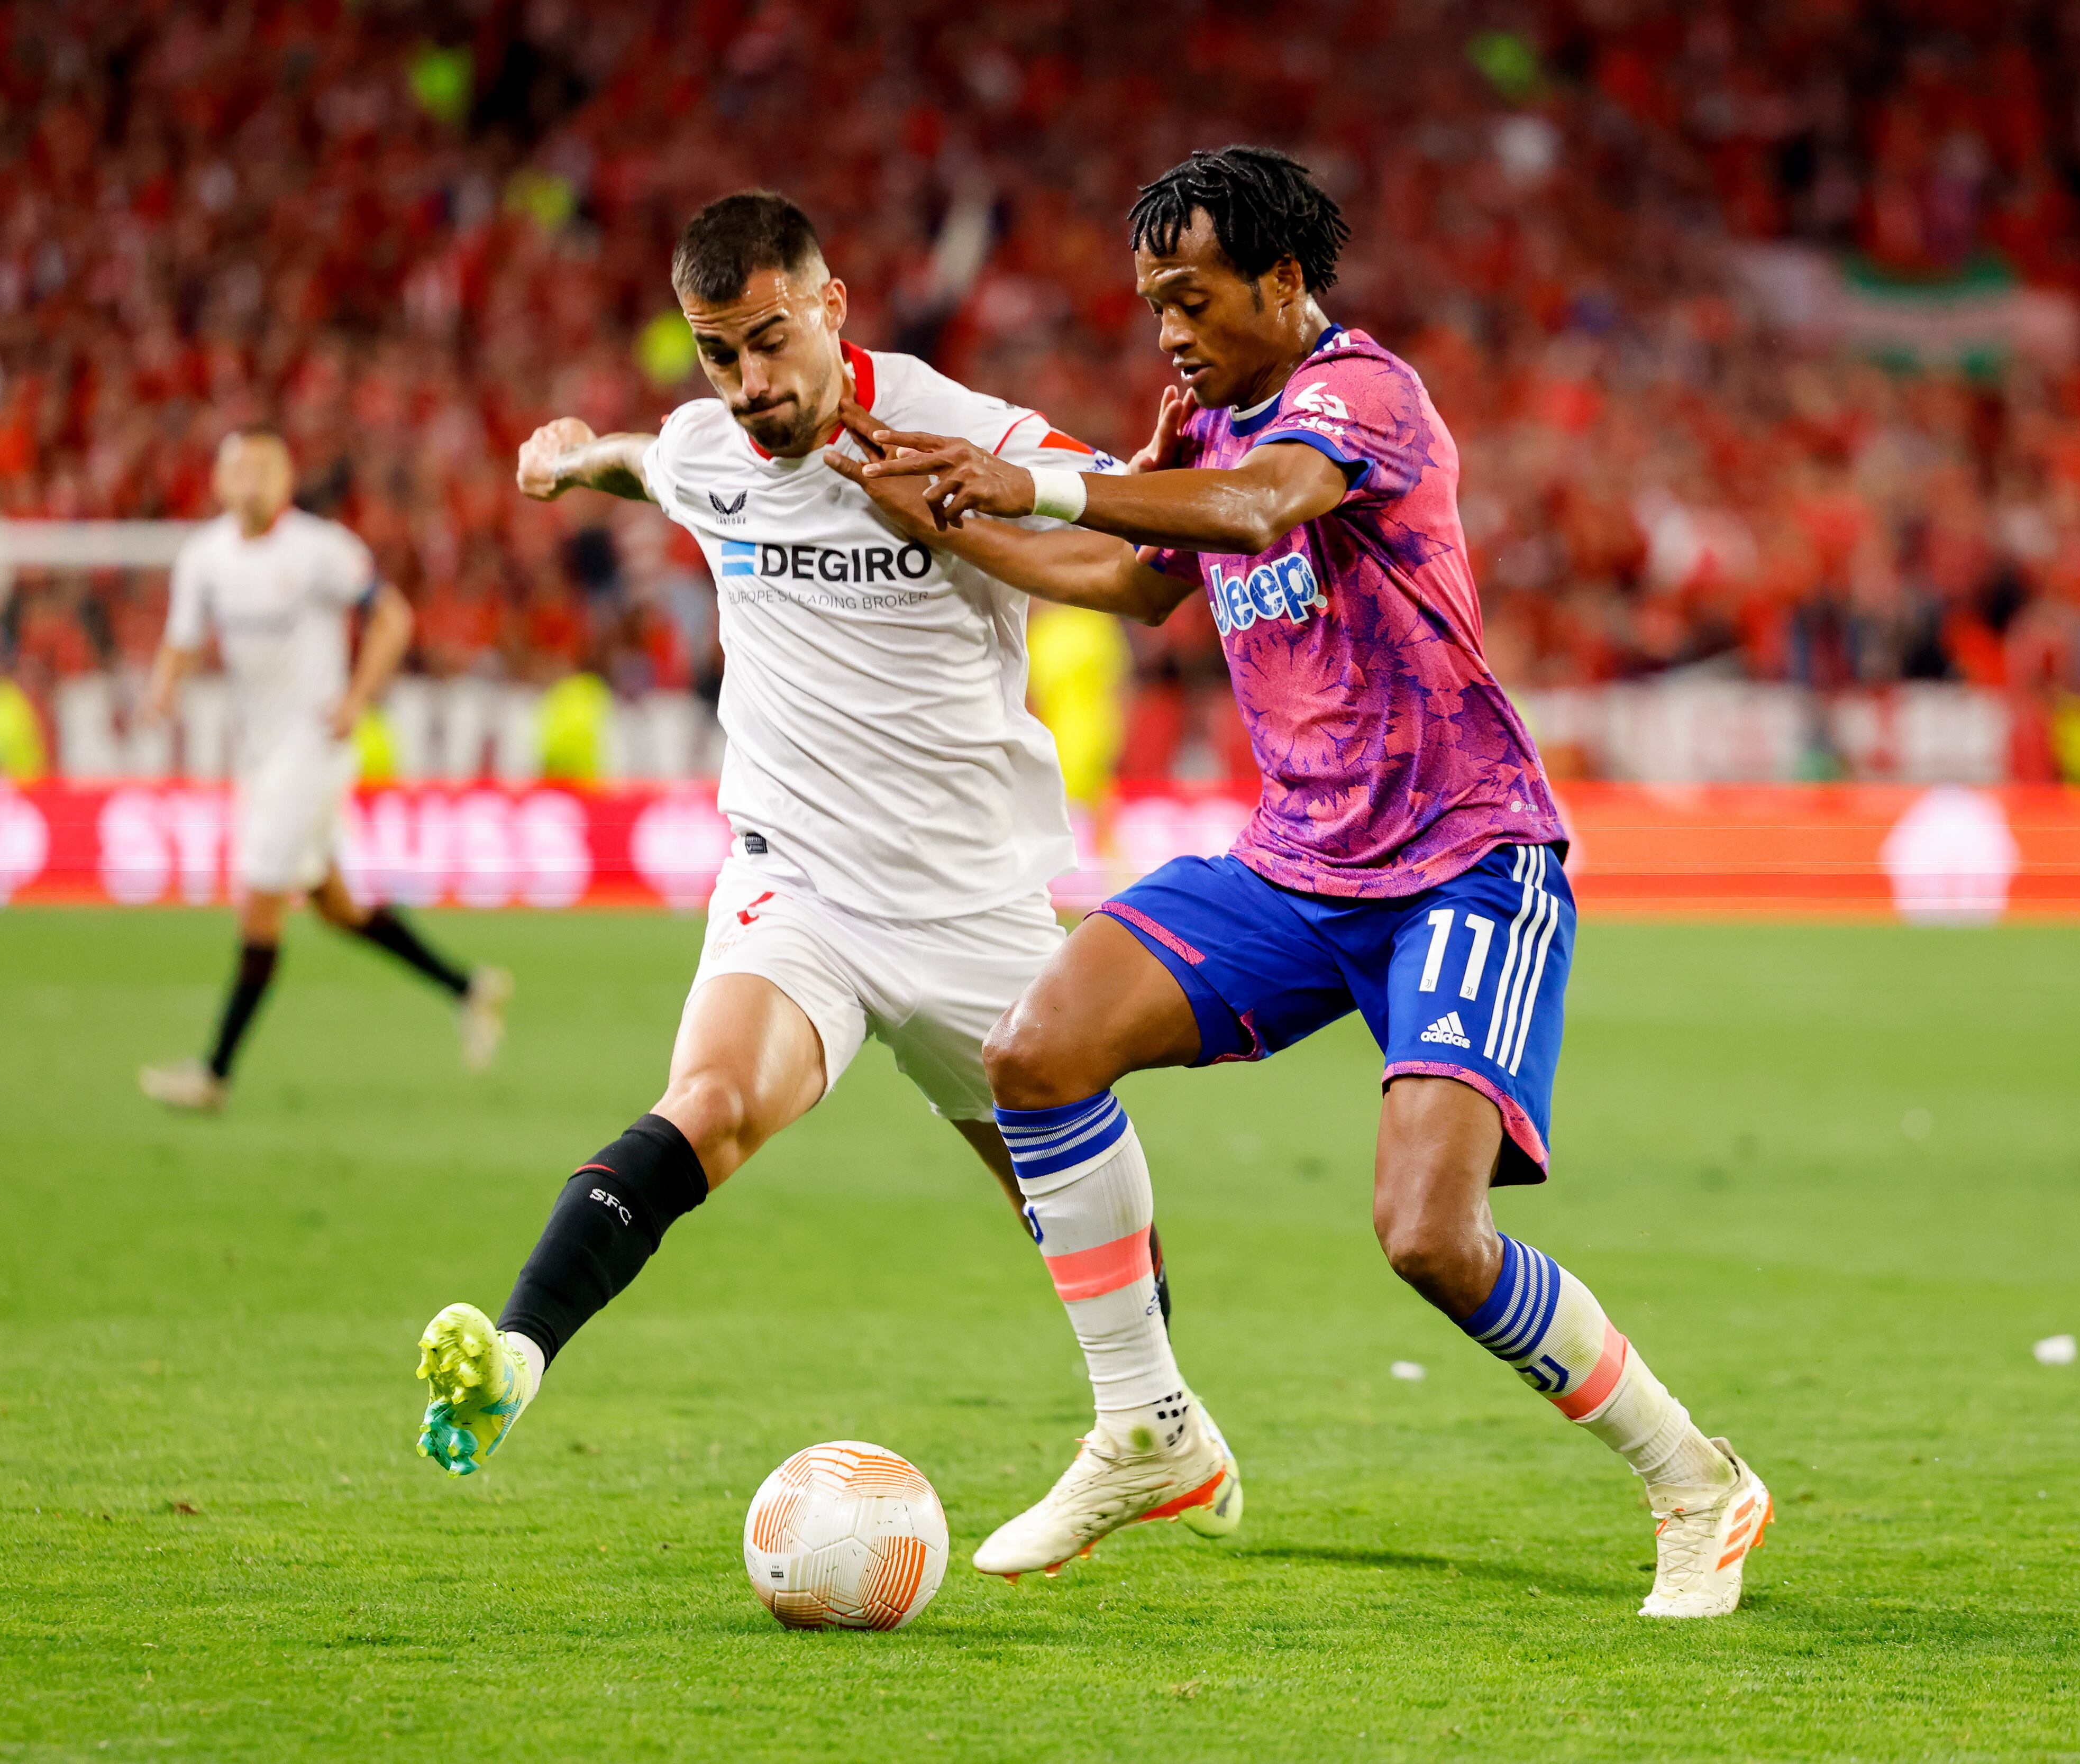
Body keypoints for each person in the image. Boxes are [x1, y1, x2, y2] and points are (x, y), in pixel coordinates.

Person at [835, 146, 1771, 1616]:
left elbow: (1255, 513)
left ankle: (1698, 1480)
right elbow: (1129, 585)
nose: (1169, 332)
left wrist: (1040, 480)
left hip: (1464, 862)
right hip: (1297, 863)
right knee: (1035, 1052)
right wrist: (942, 519)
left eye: (1191, 298)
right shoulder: (1211, 424)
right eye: (1153, 304)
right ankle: (1147, 1428)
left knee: (1430, 1239)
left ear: (1283, 280)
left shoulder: (1362, 396)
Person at [408, 193, 1238, 1556]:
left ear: (832, 307)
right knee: (710, 1104)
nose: (748, 383)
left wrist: (1084, 497)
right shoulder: (706, 447)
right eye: (715, 352)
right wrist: (573, 456)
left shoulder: (957, 427)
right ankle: (518, 1353)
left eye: (769, 341)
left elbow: (1137, 550)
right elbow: (651, 461)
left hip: (970, 900)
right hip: (796, 883)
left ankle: (1157, 1422)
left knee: (1059, 1193)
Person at [137, 427, 510, 1113]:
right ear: (219, 482)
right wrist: (162, 689)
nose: (251, 480)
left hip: (313, 748)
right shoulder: (204, 558)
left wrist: (357, 698)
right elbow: (183, 640)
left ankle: (213, 1074)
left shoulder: (320, 551)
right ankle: (468, 989)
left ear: (286, 479)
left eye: (265, 468)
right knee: (338, 908)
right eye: (239, 468)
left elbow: (392, 618)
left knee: (259, 900)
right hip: (259, 755)